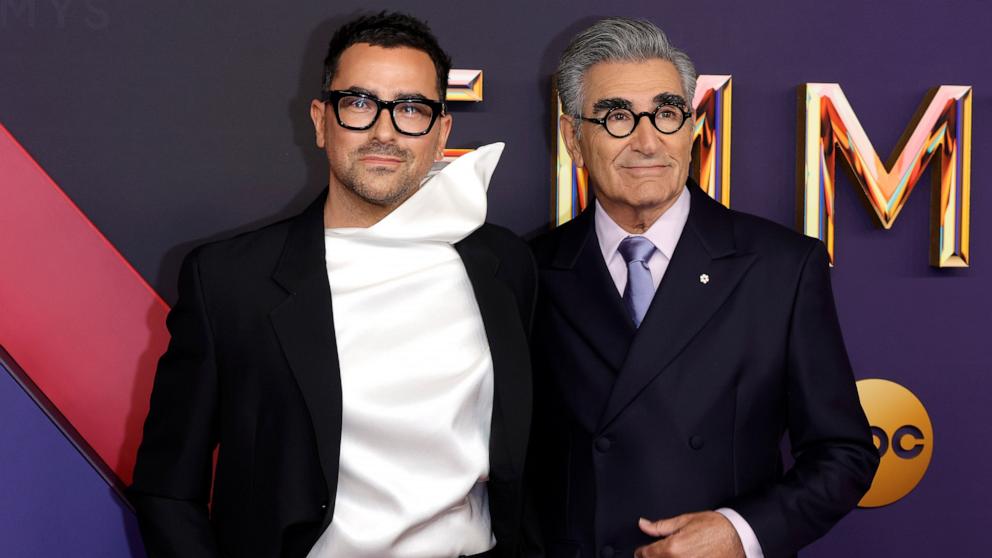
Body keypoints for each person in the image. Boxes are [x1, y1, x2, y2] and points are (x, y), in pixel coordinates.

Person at [128, 12, 537, 558]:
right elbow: (168, 489)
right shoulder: (230, 281)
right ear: (322, 121)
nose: (385, 131)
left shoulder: (504, 265)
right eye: (361, 103)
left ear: (442, 132)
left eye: (411, 108)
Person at [529, 17, 879, 558]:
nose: (648, 141)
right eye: (618, 116)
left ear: (691, 129)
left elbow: (844, 452)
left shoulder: (781, 267)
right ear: (574, 138)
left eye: (667, 114)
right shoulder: (529, 269)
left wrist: (740, 533)